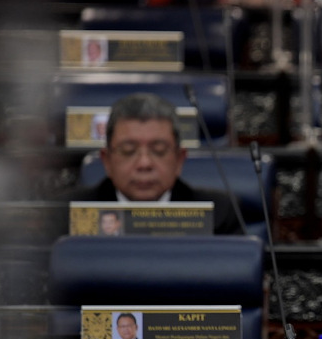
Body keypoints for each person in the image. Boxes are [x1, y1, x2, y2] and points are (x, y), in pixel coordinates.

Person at [63, 92, 242, 235]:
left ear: (179, 159)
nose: (144, 163)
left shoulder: (218, 215)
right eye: (128, 150)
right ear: (107, 160)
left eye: (159, 150)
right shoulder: (67, 213)